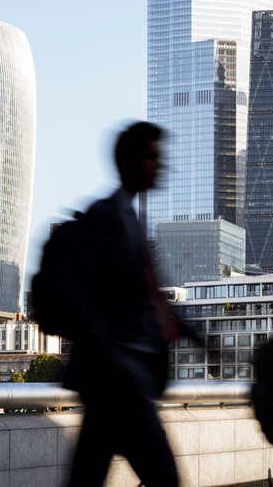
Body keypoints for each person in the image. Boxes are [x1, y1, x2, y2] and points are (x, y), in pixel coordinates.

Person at [65, 121, 192, 487]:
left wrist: (196, 333)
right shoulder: (106, 217)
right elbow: (80, 294)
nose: (161, 165)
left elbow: (148, 299)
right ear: (130, 162)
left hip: (118, 380)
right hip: (121, 380)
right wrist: (112, 354)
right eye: (153, 157)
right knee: (164, 478)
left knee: (86, 478)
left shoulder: (129, 220)